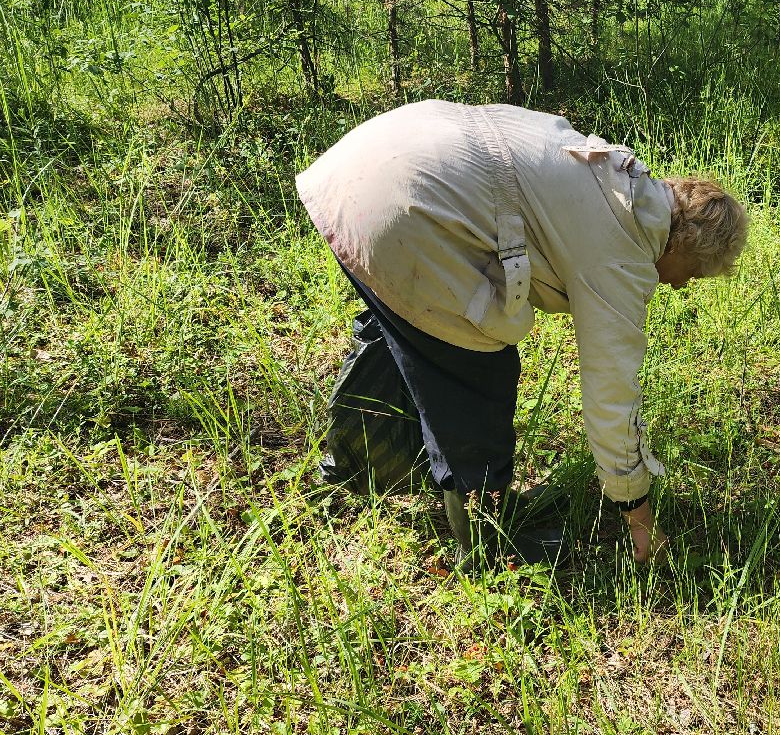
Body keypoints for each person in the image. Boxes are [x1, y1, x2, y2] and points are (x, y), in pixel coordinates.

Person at [296, 100, 748, 566]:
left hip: (363, 171)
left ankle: (353, 469)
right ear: (682, 243)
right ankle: (487, 543)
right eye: (693, 272)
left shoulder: (620, 178)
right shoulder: (624, 246)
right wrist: (638, 516)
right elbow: (612, 392)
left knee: (400, 331)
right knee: (476, 371)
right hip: (407, 205)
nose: (681, 284)